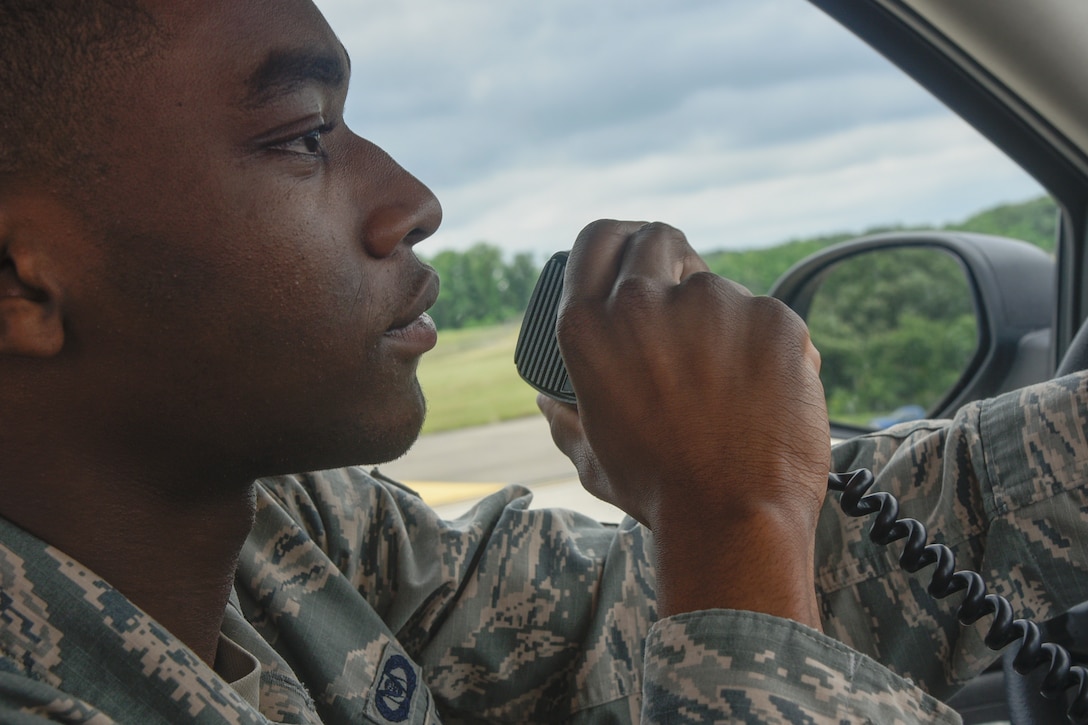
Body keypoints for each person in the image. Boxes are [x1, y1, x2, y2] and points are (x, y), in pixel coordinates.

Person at [2, 1, 1087, 723]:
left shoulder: (291, 528)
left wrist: (743, 493)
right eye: (301, 134)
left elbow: (615, 621)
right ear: (22, 280)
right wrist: (728, 519)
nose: (411, 202)